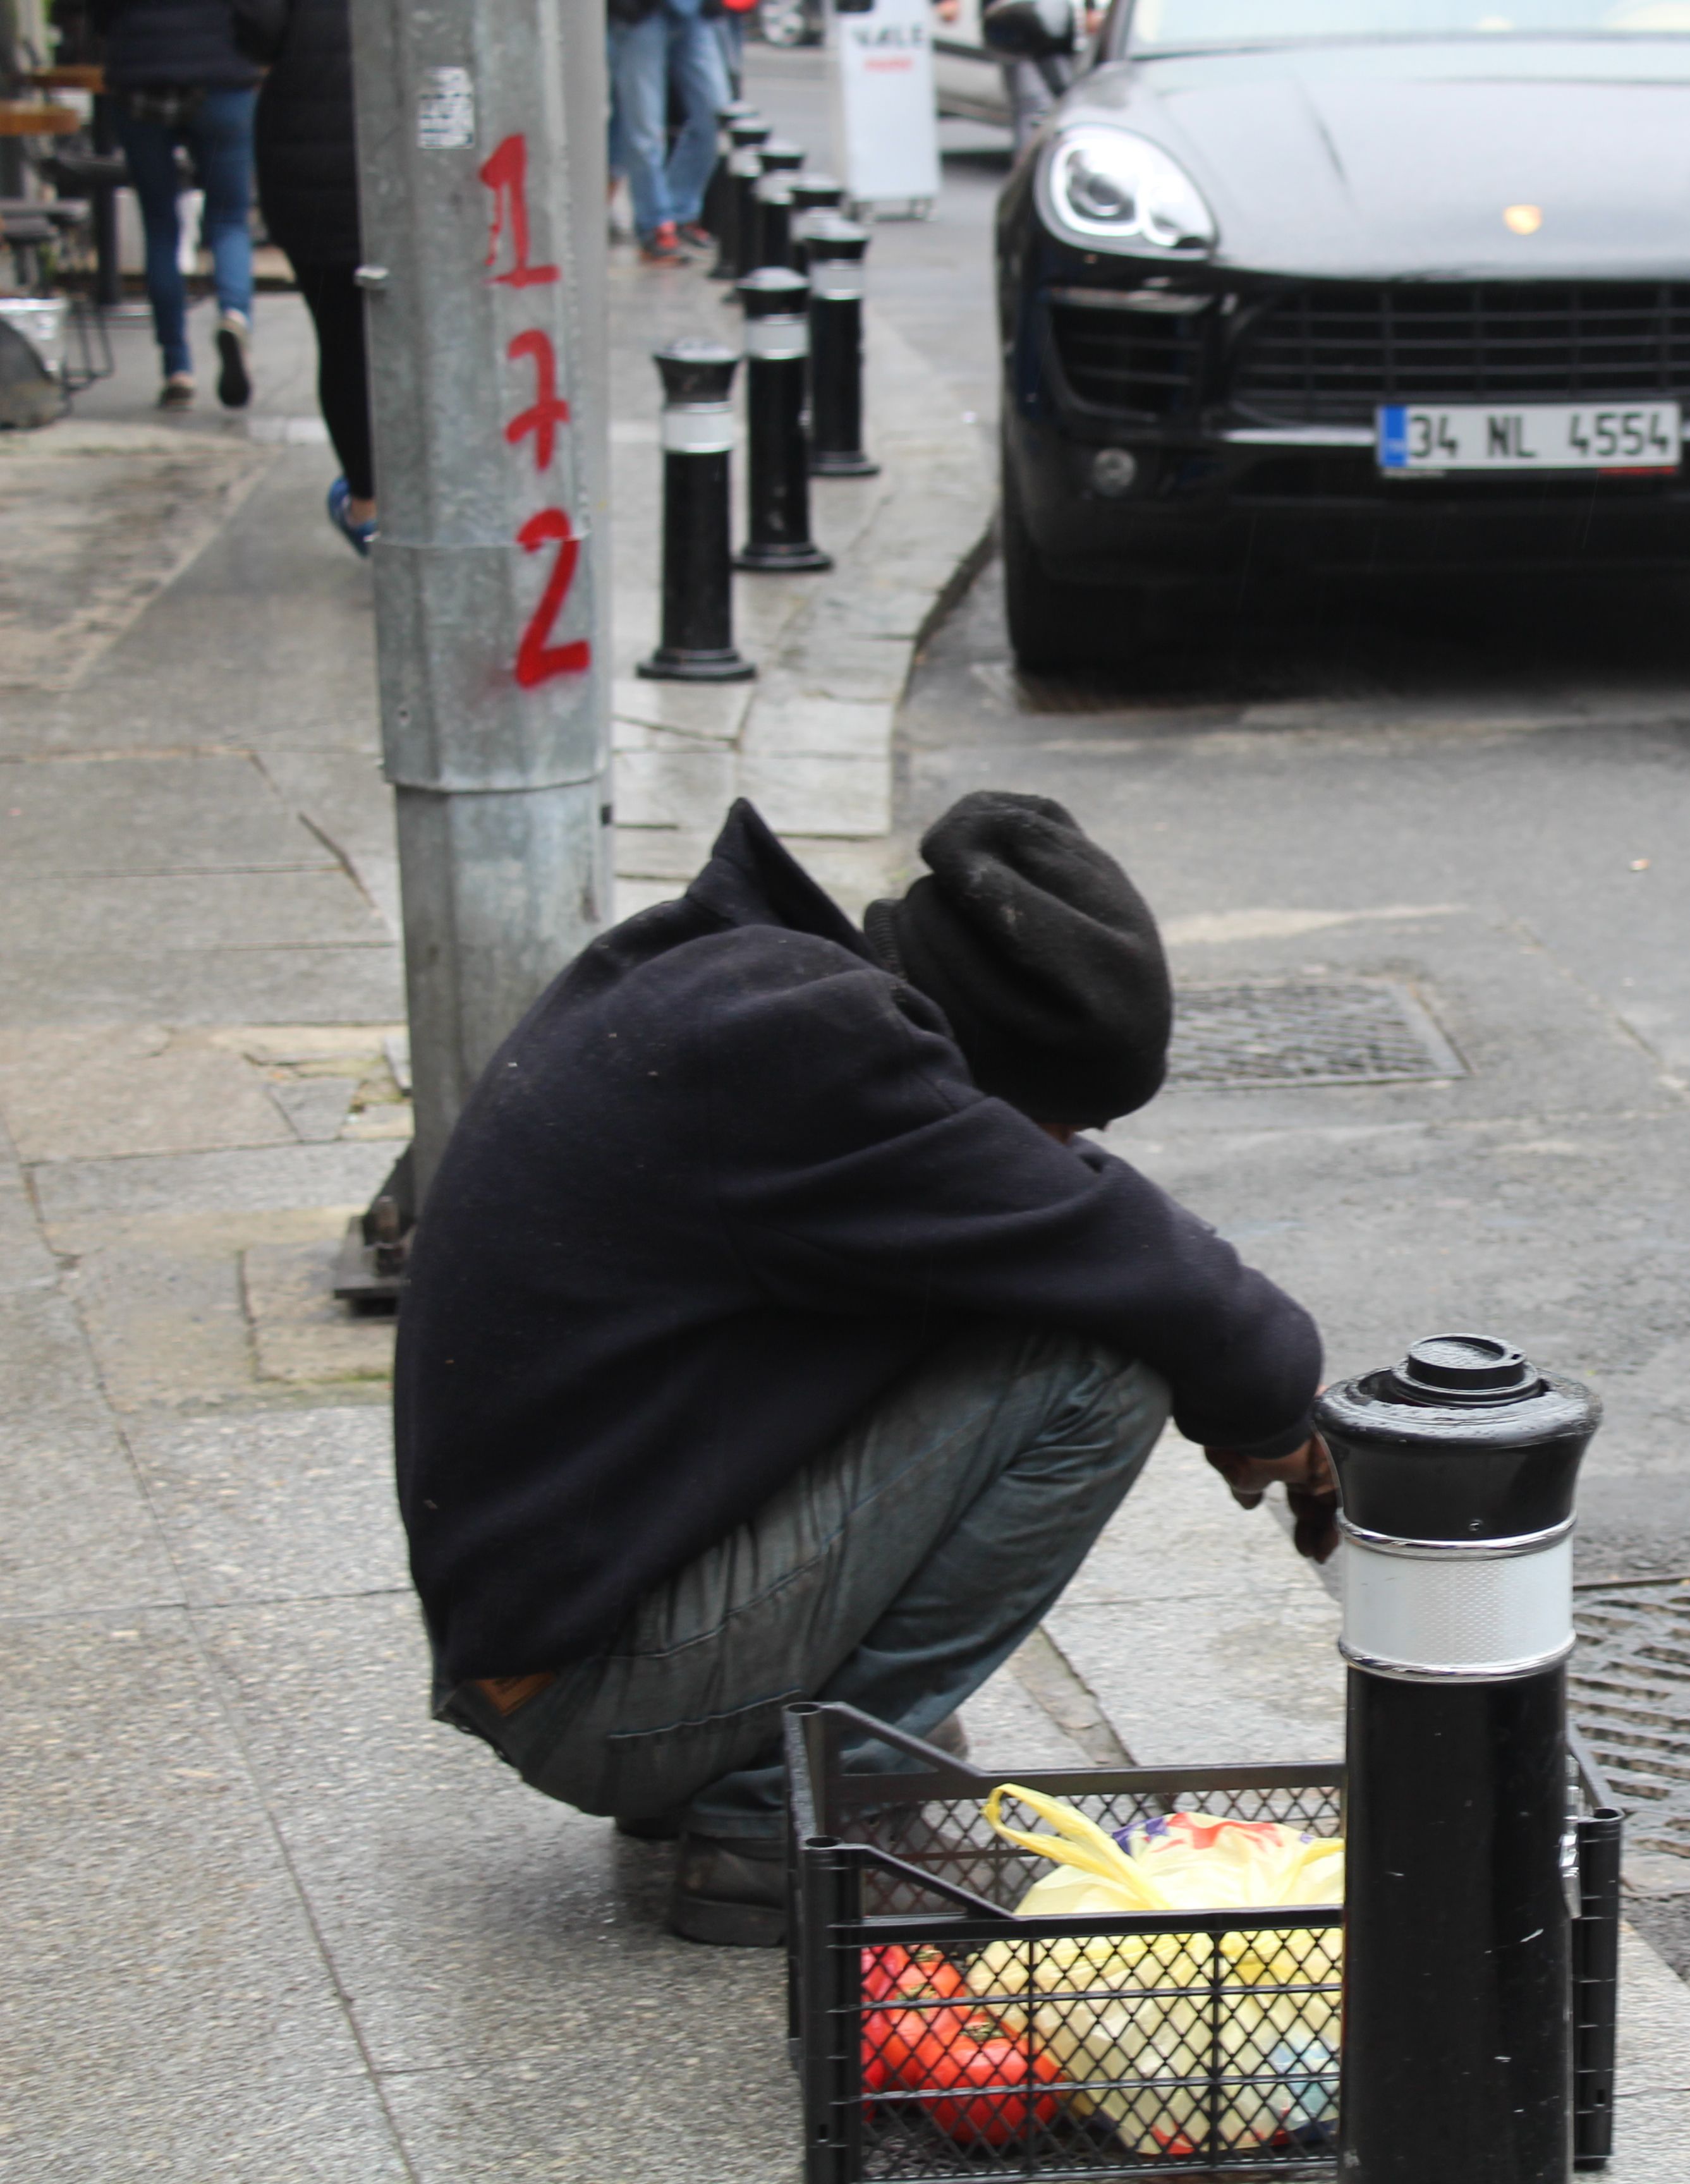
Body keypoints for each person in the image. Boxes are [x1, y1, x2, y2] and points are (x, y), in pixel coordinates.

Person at [395, 794, 1334, 1944]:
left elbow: (1074, 1225)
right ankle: (778, 1809)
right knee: (1094, 1370)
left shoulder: (747, 987)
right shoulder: (810, 1062)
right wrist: (1276, 1418)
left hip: (557, 1637)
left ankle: (742, 1754)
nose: (1058, 1156)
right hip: (586, 1693)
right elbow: (1158, 1276)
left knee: (1020, 1286)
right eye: (1050, 1125)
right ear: (985, 1056)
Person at [249, 0, 373, 550]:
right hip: (419, 156)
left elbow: (255, 31)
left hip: (310, 166)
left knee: (343, 340)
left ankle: (369, 504)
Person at [96, 0, 257, 410]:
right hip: (221, 75)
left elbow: (99, 14)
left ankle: (177, 367)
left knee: (160, 223)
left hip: (140, 75)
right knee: (229, 219)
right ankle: (234, 315)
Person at [607, 0, 733, 264]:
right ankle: (655, 224)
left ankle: (679, 211)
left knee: (716, 115)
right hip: (641, 16)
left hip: (695, 11)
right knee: (644, 129)